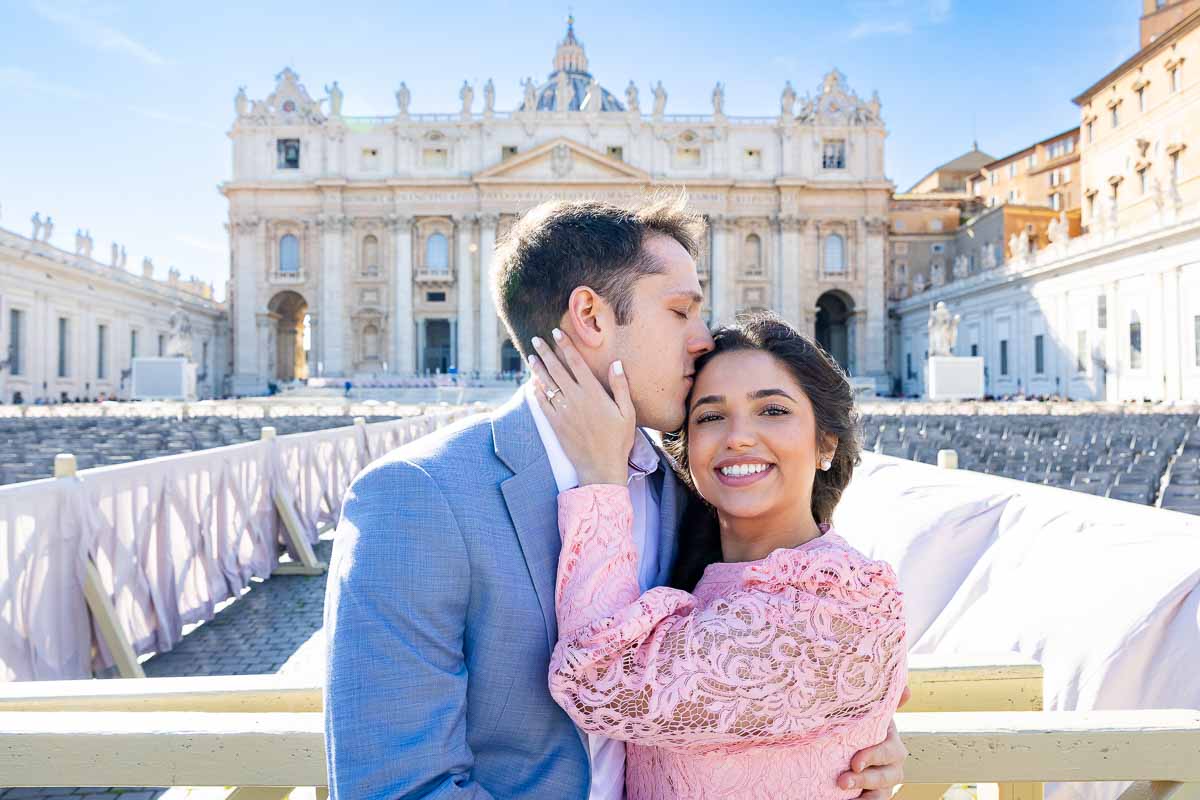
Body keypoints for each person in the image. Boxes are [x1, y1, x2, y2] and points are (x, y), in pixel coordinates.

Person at [323, 196, 909, 799]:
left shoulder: (686, 491)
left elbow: (771, 659)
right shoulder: (415, 499)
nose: (703, 339)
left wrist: (839, 733)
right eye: (681, 310)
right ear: (592, 316)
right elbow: (396, 787)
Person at [527, 314, 906, 798]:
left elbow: (597, 679)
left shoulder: (851, 601)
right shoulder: (694, 574)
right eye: (709, 416)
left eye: (772, 410)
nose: (738, 436)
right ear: (687, 454)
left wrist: (600, 477)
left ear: (825, 443)